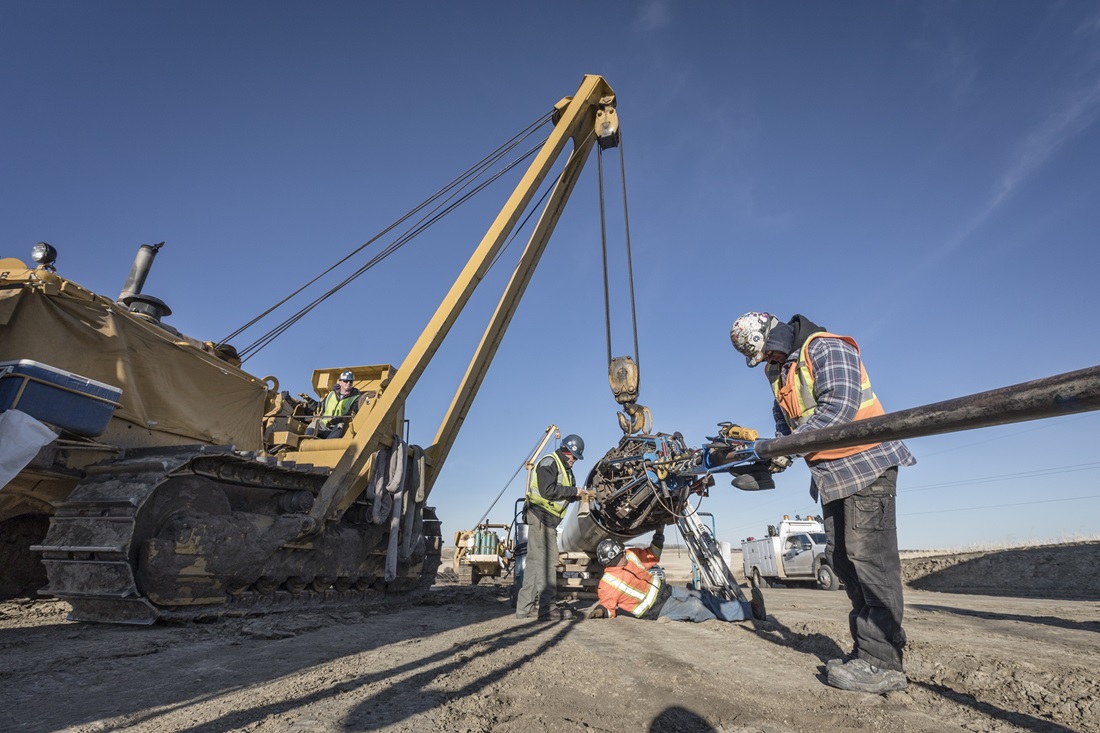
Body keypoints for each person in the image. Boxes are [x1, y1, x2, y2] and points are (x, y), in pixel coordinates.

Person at [730, 312, 915, 694]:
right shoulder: (780, 373)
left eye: (766, 353)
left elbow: (839, 409)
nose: (767, 361)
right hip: (831, 476)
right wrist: (773, 456)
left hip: (866, 464)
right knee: (844, 562)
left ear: (774, 333)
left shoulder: (825, 347)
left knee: (870, 562)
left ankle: (883, 663)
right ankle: (868, 651)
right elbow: (788, 426)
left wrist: (784, 446)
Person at [588, 532, 766, 623]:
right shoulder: (608, 584)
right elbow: (608, 607)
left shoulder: (630, 554)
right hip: (655, 610)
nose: (625, 557)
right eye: (620, 557)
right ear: (610, 562)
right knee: (696, 608)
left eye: (623, 553)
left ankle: (751, 610)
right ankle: (726, 617)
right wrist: (599, 611)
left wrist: (659, 534)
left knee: (701, 596)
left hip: (666, 590)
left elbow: (652, 555)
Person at [515, 433, 589, 621]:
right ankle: (547, 608)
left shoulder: (564, 467)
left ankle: (525, 608)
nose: (575, 462)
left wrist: (579, 495)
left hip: (545, 520)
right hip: (541, 518)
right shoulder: (550, 462)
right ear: (567, 451)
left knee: (533, 563)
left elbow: (560, 493)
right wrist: (574, 491)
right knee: (548, 561)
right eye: (574, 457)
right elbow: (548, 491)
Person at [310, 369, 361, 439]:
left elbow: (352, 414)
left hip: (338, 427)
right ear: (340, 382)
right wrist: (310, 402)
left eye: (351, 381)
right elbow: (320, 408)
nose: (348, 383)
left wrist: (337, 420)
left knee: (340, 426)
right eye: (346, 381)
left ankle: (327, 447)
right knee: (313, 425)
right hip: (324, 424)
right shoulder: (331, 394)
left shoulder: (356, 398)